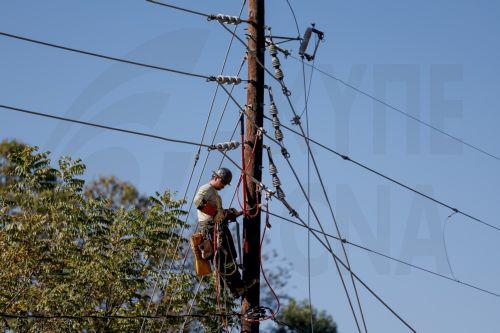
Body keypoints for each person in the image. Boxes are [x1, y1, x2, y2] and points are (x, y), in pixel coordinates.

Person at [193, 167, 246, 298]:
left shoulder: (215, 194)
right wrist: (216, 213)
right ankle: (236, 288)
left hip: (217, 228)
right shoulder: (206, 188)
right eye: (222, 183)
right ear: (216, 178)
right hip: (211, 229)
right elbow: (198, 202)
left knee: (229, 257)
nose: (223, 186)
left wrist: (229, 213)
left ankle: (237, 286)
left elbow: (218, 214)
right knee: (223, 259)